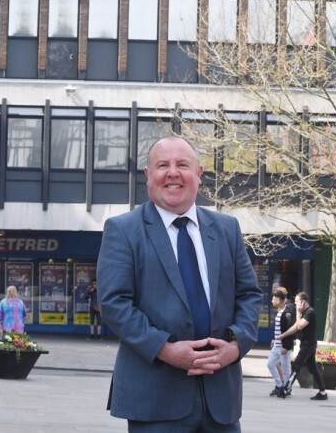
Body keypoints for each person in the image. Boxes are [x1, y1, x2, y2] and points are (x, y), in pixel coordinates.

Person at [97, 135, 262, 432]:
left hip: (221, 400)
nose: (173, 173)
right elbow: (114, 303)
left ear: (198, 175)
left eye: (182, 164)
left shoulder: (227, 229)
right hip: (155, 400)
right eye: (163, 165)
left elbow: (249, 295)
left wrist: (236, 346)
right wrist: (164, 349)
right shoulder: (123, 230)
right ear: (148, 176)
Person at [275, 292, 328, 400]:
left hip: (308, 345)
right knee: (313, 368)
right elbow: (295, 327)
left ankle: (286, 389)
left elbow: (299, 326)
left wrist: (298, 312)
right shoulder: (304, 313)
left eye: (297, 302)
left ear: (303, 302)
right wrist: (283, 335)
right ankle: (323, 392)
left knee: (296, 366)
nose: (295, 305)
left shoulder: (309, 312)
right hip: (307, 344)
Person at [267, 287, 295, 397]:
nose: (272, 301)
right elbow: (279, 329)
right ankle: (279, 385)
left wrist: (286, 346)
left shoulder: (287, 313)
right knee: (270, 364)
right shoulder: (279, 312)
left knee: (286, 368)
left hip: (283, 346)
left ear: (279, 300)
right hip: (277, 345)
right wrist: (274, 340)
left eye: (274, 299)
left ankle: (287, 388)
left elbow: (289, 331)